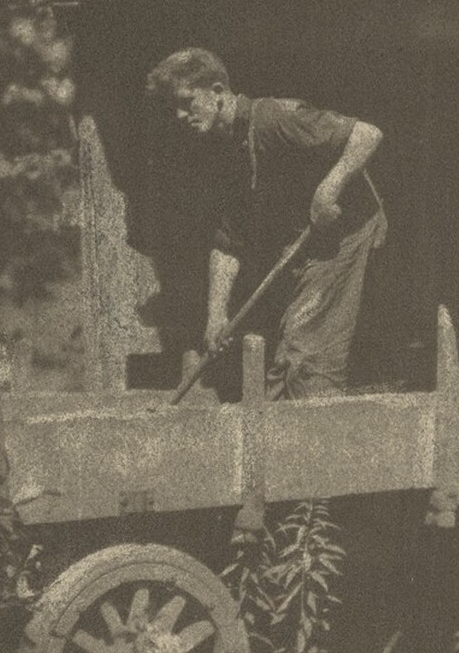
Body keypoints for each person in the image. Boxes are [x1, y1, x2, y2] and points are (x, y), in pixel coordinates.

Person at [145, 47, 386, 401]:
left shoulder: (274, 118)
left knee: (305, 357)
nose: (180, 115)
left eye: (187, 102)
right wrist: (215, 317)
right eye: (173, 108)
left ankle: (319, 437)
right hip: (304, 248)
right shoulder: (223, 151)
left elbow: (367, 135)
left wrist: (327, 190)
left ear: (216, 92)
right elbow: (228, 242)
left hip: (345, 234)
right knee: (287, 361)